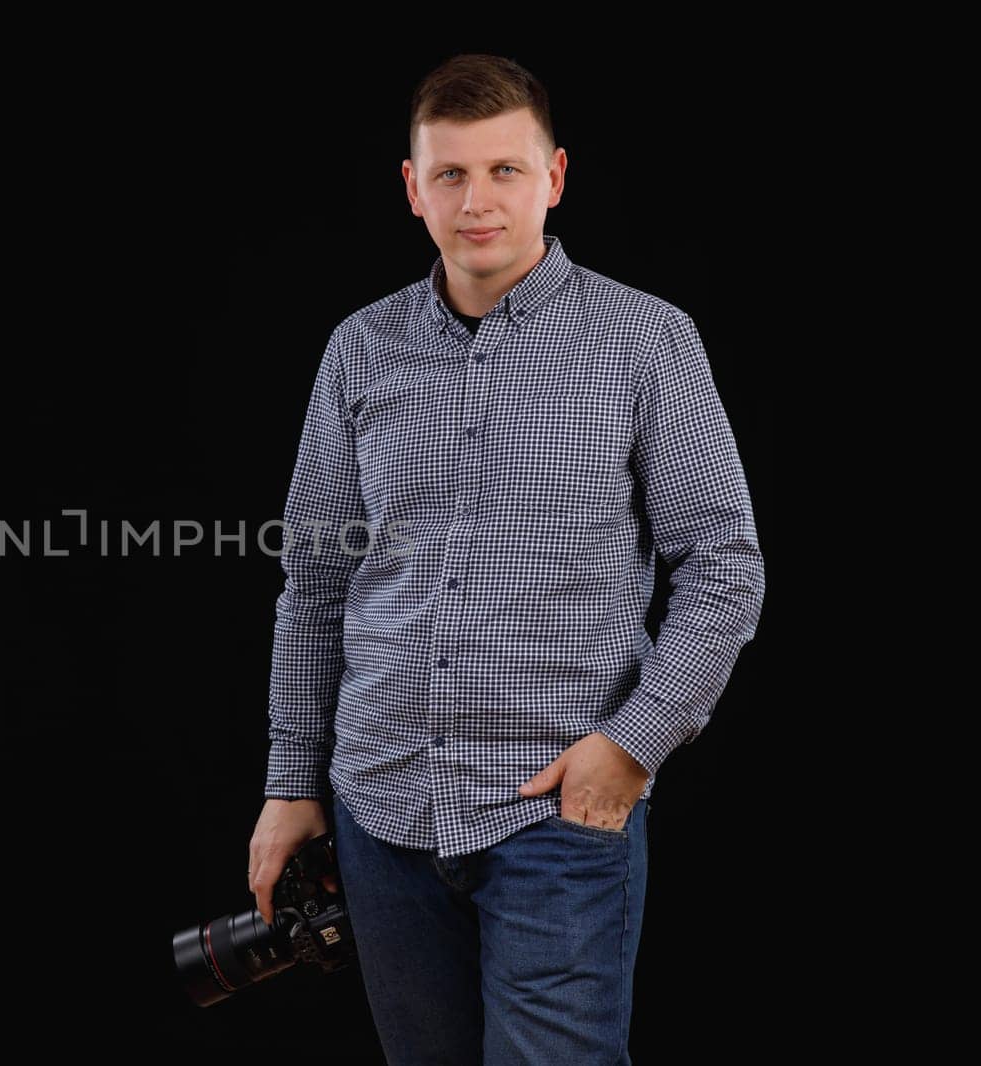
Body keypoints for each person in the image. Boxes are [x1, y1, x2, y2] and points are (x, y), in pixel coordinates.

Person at [245, 54, 764, 1064]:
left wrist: (635, 741)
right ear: (411, 188)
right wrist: (290, 780)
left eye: (504, 171)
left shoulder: (645, 341)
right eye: (450, 174)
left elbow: (722, 563)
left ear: (555, 176)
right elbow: (314, 580)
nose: (477, 201)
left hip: (554, 815)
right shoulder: (359, 350)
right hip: (380, 805)